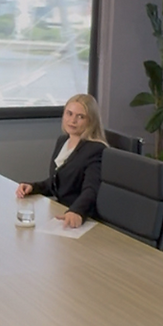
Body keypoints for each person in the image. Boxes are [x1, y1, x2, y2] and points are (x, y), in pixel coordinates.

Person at [15, 94, 106, 229]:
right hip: (60, 211)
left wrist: (76, 211)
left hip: (79, 218)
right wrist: (33, 187)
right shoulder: (63, 141)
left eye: (80, 116)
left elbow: (91, 189)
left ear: (91, 121)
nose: (72, 120)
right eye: (69, 114)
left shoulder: (95, 149)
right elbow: (57, 181)